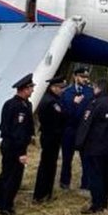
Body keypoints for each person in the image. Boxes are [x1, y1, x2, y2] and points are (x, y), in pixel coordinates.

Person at [75, 78, 108, 214]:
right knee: (106, 174)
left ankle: (97, 204)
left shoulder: (95, 104)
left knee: (95, 175)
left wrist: (78, 144)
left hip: (94, 146)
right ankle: (104, 202)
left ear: (98, 88)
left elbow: (85, 125)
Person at [0, 74, 35, 215]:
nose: (32, 91)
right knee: (11, 176)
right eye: (31, 88)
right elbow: (16, 131)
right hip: (13, 146)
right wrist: (21, 152)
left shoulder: (26, 104)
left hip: (16, 145)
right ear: (24, 89)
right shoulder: (15, 106)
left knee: (10, 175)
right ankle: (4, 206)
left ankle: (1, 202)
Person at [33, 74, 68, 202]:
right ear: (53, 87)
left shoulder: (53, 99)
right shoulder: (50, 101)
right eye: (60, 87)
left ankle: (47, 192)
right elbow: (61, 116)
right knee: (46, 165)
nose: (62, 90)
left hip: (53, 135)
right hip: (50, 136)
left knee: (50, 165)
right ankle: (41, 194)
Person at [60, 65, 93, 191]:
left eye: (86, 77)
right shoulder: (67, 92)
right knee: (67, 158)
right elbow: (64, 112)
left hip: (84, 130)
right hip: (70, 129)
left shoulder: (90, 92)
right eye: (82, 76)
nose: (85, 79)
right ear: (75, 77)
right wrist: (74, 104)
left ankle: (86, 184)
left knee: (86, 159)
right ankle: (64, 182)